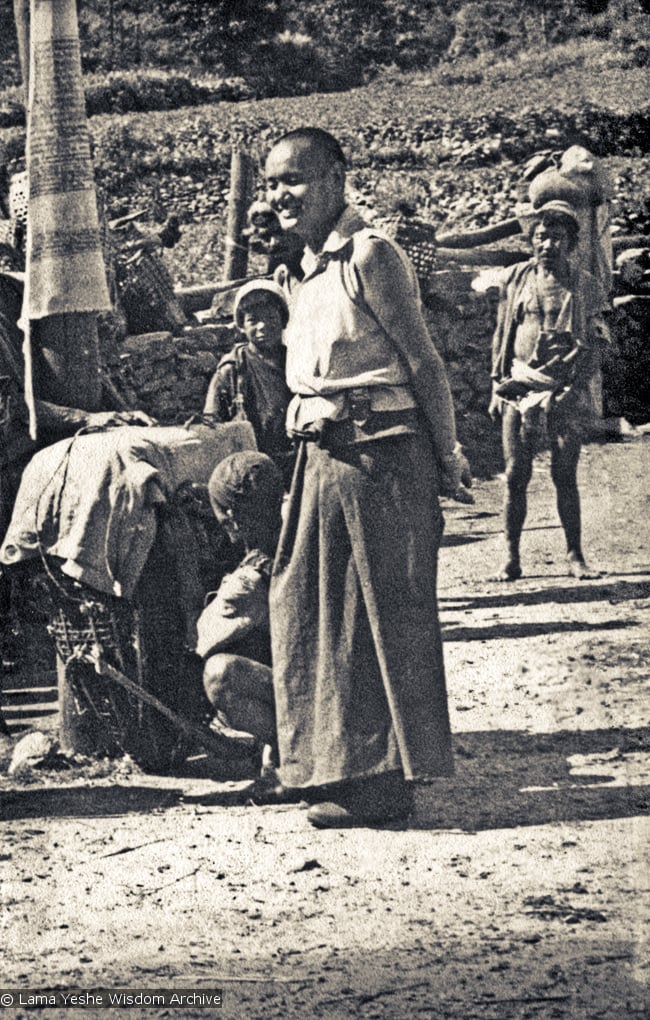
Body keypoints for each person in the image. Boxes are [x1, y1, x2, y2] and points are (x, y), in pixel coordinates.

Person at [264, 126, 472, 828]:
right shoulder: (305, 268)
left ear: (336, 179)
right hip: (323, 457)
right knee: (314, 613)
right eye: (271, 183)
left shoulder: (370, 256)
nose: (280, 195)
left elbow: (425, 362)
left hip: (381, 454)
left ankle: (387, 786)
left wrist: (447, 458)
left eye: (295, 178)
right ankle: (341, 771)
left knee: (384, 612)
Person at [488, 200, 607, 582]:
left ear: (570, 243)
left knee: (564, 473)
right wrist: (496, 385)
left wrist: (574, 390)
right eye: (541, 237)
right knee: (514, 473)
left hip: (564, 388)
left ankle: (575, 555)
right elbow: (502, 334)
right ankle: (510, 557)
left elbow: (599, 342)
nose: (547, 245)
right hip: (519, 385)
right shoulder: (517, 279)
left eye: (556, 238)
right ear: (531, 242)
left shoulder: (584, 285)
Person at [197, 451, 284, 788]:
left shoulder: (252, 578)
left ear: (232, 518)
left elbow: (204, 637)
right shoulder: (295, 539)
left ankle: (290, 748)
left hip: (307, 695)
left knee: (220, 674)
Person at [203, 279, 294, 487]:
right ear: (242, 327)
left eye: (271, 317)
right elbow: (212, 421)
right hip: (251, 472)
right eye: (253, 320)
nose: (263, 326)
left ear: (283, 320)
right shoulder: (232, 368)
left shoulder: (297, 361)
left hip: (296, 462)